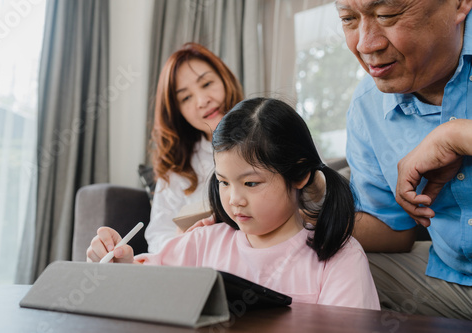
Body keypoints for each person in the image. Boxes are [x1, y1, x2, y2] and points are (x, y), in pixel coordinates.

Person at [87, 97, 380, 310]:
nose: (234, 199)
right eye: (224, 182)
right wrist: (119, 264)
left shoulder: (339, 258)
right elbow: (144, 288)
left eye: (251, 183)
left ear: (300, 174)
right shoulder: (201, 243)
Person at [336, 0, 472, 319]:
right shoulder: (367, 107)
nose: (366, 44)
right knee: (323, 264)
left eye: (387, 15)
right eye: (348, 19)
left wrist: (455, 136)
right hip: (453, 278)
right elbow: (393, 230)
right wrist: (300, 212)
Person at [145, 42, 243, 253]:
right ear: (177, 111)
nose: (202, 101)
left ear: (225, 80)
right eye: (186, 97)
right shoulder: (177, 167)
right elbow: (158, 237)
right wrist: (183, 241)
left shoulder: (273, 131)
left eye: (206, 84)